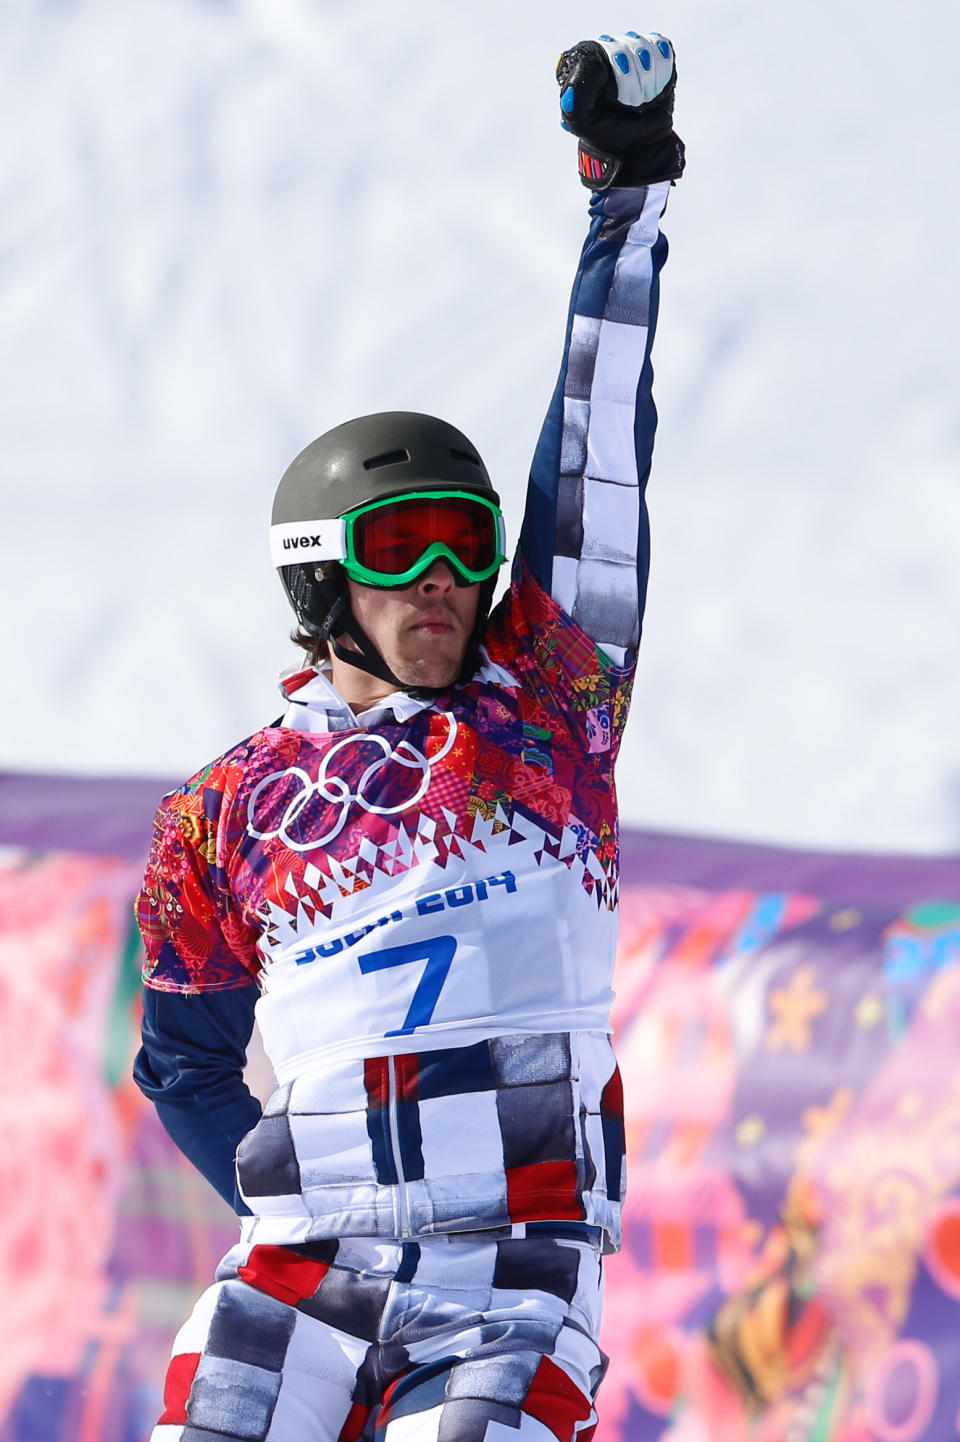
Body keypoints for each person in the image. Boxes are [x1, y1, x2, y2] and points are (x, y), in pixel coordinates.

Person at [134, 30, 684, 1442]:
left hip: (512, 1266)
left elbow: (595, 466)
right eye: (403, 545)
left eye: (467, 542)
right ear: (325, 578)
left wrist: (626, 195)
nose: (446, 573)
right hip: (308, 1267)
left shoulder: (548, 709)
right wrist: (294, 1198)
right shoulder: (226, 809)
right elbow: (183, 1060)